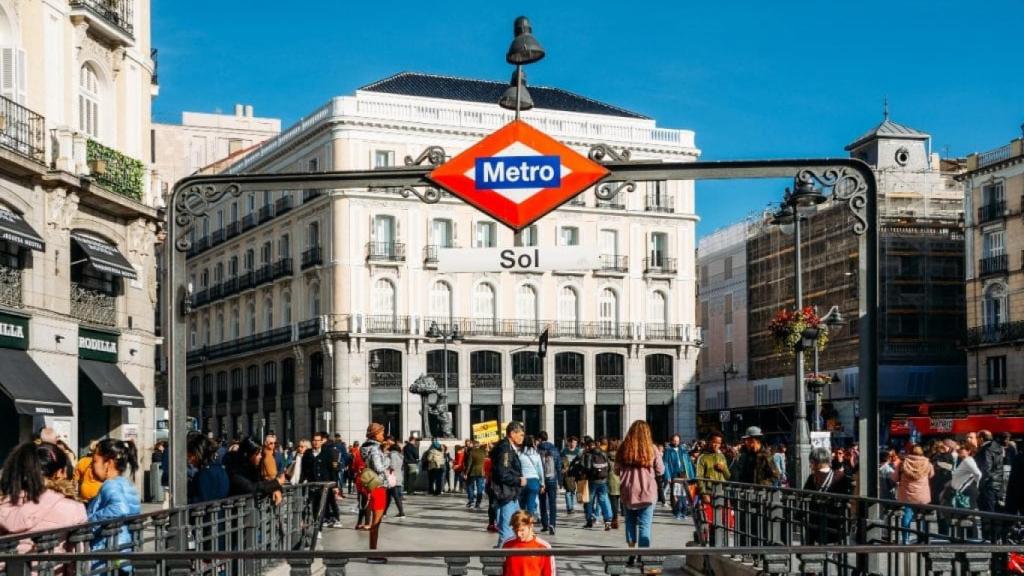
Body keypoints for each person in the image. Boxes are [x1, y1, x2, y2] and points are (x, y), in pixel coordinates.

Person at [0, 441, 88, 554]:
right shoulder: (74, 508)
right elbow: (77, 556)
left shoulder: (4, 503)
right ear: (60, 472)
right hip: (51, 569)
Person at [616, 420, 665, 575]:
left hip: (628, 491)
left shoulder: (624, 448)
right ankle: (643, 555)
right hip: (647, 492)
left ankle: (631, 552)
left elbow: (617, 470)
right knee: (645, 526)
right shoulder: (652, 449)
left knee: (630, 523)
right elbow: (661, 470)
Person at [87, 439, 142, 558]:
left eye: (95, 461)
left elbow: (120, 508)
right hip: (124, 547)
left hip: (107, 551)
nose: (91, 466)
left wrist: (90, 521)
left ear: (108, 463)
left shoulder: (110, 484)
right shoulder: (126, 483)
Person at [802, 446, 854, 545]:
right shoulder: (841, 476)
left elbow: (805, 495)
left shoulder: (813, 477)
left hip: (817, 519)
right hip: (836, 519)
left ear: (815, 462)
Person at [490, 421, 526, 546]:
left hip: (510, 493)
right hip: (506, 493)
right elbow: (503, 472)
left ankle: (508, 554)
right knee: (507, 529)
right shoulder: (505, 449)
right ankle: (503, 558)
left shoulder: (508, 447)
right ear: (512, 434)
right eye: (520, 435)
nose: (523, 437)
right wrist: (518, 480)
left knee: (516, 525)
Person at [891, 443, 933, 543]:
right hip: (922, 495)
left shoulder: (903, 463)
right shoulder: (928, 463)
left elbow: (894, 478)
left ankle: (906, 539)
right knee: (922, 515)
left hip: (907, 495)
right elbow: (932, 475)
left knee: (907, 515)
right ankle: (922, 538)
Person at [360, 423, 390, 564]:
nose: (383, 436)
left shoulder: (365, 447)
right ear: (375, 434)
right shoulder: (375, 448)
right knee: (376, 521)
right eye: (381, 433)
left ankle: (373, 551)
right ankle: (372, 553)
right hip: (379, 486)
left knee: (375, 520)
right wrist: (387, 460)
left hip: (372, 485)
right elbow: (378, 467)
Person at [224, 437, 283, 505]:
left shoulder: (254, 467)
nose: (260, 456)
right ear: (248, 455)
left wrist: (276, 489)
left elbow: (263, 482)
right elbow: (251, 487)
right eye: (257, 454)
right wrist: (276, 483)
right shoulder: (235, 470)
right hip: (237, 511)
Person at [300, 431, 341, 528]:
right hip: (312, 484)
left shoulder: (327, 453)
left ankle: (319, 528)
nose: (315, 442)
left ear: (322, 441)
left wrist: (335, 486)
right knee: (313, 506)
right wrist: (302, 481)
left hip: (324, 485)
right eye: (314, 440)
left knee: (321, 507)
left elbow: (332, 470)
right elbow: (304, 469)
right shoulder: (308, 453)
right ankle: (315, 525)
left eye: (318, 440)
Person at [501, 509, 554, 576]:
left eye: (522, 530)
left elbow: (549, 573)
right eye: (515, 530)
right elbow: (503, 570)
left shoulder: (544, 547)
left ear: (531, 527)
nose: (519, 534)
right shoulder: (507, 544)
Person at [581, 436, 614, 530]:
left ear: (588, 446)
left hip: (592, 481)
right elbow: (610, 467)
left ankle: (589, 520)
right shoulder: (603, 453)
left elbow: (586, 468)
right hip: (603, 480)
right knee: (604, 500)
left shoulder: (588, 454)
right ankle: (608, 520)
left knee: (589, 501)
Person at [187, 433, 229, 504]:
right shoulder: (220, 469)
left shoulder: (204, 475)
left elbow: (201, 501)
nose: (189, 460)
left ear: (198, 453)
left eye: (190, 456)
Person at [663, 434, 695, 520]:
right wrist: (668, 476)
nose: (676, 442)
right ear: (671, 441)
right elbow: (665, 464)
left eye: (677, 440)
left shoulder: (683, 450)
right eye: (674, 440)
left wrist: (691, 475)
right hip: (674, 474)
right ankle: (677, 512)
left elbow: (688, 463)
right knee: (675, 494)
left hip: (684, 474)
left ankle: (684, 512)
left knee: (684, 494)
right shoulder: (668, 451)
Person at [536, 431, 560, 535]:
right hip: (552, 479)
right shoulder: (555, 449)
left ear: (540, 439)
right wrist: (560, 480)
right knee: (552, 503)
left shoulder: (538, 450)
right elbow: (559, 465)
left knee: (542, 502)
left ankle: (545, 524)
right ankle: (552, 524)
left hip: (541, 480)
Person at [950, 444, 981, 510]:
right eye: (960, 449)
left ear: (969, 451)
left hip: (966, 490)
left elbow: (978, 474)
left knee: (968, 513)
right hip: (963, 490)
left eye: (963, 449)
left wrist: (976, 483)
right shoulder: (964, 460)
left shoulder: (968, 460)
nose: (960, 450)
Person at [929, 440, 955, 506]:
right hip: (935, 478)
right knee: (935, 495)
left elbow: (950, 467)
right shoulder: (935, 455)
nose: (940, 449)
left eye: (941, 447)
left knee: (940, 496)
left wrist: (939, 464)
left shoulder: (948, 455)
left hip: (944, 479)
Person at [464, 439, 488, 509]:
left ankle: (471, 501)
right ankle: (478, 503)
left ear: (474, 445)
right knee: (479, 488)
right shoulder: (483, 452)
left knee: (470, 486)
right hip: (481, 472)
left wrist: (466, 473)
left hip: (472, 471)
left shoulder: (471, 452)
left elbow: (469, 464)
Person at [385, 442, 406, 518]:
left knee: (395, 496)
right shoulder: (400, 456)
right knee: (389, 495)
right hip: (398, 476)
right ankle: (384, 512)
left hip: (392, 477)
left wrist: (386, 468)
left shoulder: (393, 455)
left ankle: (401, 513)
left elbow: (392, 466)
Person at [561, 436, 581, 515]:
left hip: (576, 473)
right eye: (572, 442)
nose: (573, 444)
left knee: (573, 491)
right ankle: (570, 507)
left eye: (575, 443)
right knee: (568, 491)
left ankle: (572, 506)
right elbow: (560, 461)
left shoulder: (578, 451)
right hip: (567, 474)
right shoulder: (564, 451)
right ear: (568, 442)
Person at [607, 438, 622, 530]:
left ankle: (615, 518)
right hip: (622, 481)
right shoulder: (622, 457)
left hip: (611, 481)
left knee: (613, 502)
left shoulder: (607, 457)